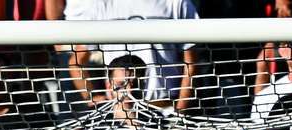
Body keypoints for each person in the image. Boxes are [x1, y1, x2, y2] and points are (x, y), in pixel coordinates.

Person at [63, 0, 200, 112]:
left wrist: (180, 111)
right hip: (121, 113)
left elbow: (191, 64)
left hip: (164, 109)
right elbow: (76, 62)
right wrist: (92, 97)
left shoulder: (177, 3)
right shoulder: (101, 6)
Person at [64, 55, 165, 130]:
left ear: (144, 86)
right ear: (109, 86)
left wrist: (131, 120)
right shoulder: (96, 114)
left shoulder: (153, 116)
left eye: (135, 85)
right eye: (121, 85)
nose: (129, 92)